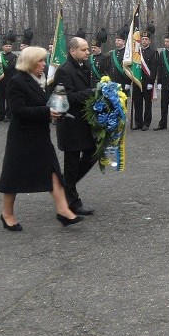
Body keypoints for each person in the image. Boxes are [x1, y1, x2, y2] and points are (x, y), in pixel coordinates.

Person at [0, 45, 82, 231]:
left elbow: (41, 104)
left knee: (54, 173)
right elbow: (17, 111)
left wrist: (54, 111)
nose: (44, 64)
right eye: (40, 61)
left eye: (44, 60)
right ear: (30, 63)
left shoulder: (37, 79)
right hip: (22, 136)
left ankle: (63, 210)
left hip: (40, 136)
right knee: (13, 177)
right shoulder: (17, 81)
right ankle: (7, 214)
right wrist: (46, 112)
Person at [51, 36, 98, 216]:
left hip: (84, 123)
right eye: (84, 50)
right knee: (71, 163)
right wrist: (91, 92)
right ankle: (72, 201)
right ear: (72, 51)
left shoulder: (84, 66)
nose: (88, 52)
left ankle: (64, 186)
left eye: (87, 49)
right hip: (70, 124)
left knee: (92, 153)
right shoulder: (64, 71)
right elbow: (66, 98)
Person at [132, 23, 158, 130]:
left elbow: (154, 68)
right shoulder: (137, 52)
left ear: (149, 41)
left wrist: (151, 82)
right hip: (137, 80)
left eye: (146, 39)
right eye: (142, 39)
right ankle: (138, 122)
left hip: (147, 82)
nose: (144, 41)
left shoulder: (153, 52)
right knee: (137, 103)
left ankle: (146, 123)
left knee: (147, 103)